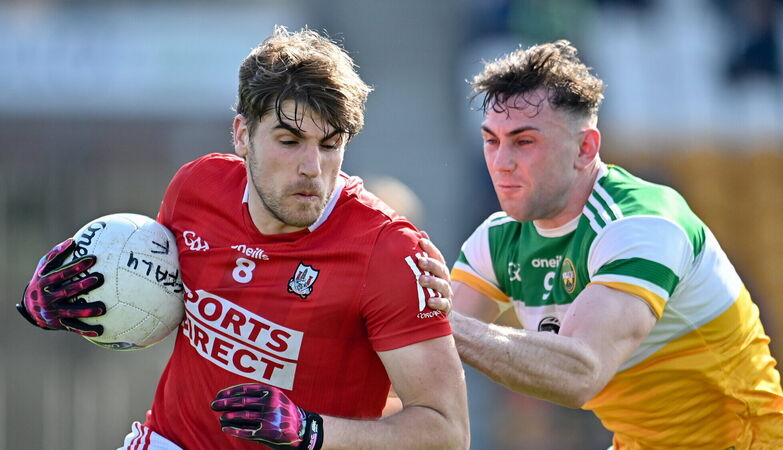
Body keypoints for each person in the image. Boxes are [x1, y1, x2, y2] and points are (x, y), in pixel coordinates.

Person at [17, 26, 469, 450]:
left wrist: (312, 430)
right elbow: (154, 305)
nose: (312, 167)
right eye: (289, 141)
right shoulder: (196, 187)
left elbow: (447, 429)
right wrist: (68, 304)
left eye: (330, 145)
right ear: (242, 135)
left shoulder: (388, 250)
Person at [416, 40, 783, 448]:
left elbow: (581, 373)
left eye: (524, 141)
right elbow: (426, 342)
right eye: (491, 140)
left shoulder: (643, 225)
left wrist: (446, 324)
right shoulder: (499, 237)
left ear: (585, 148)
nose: (501, 163)